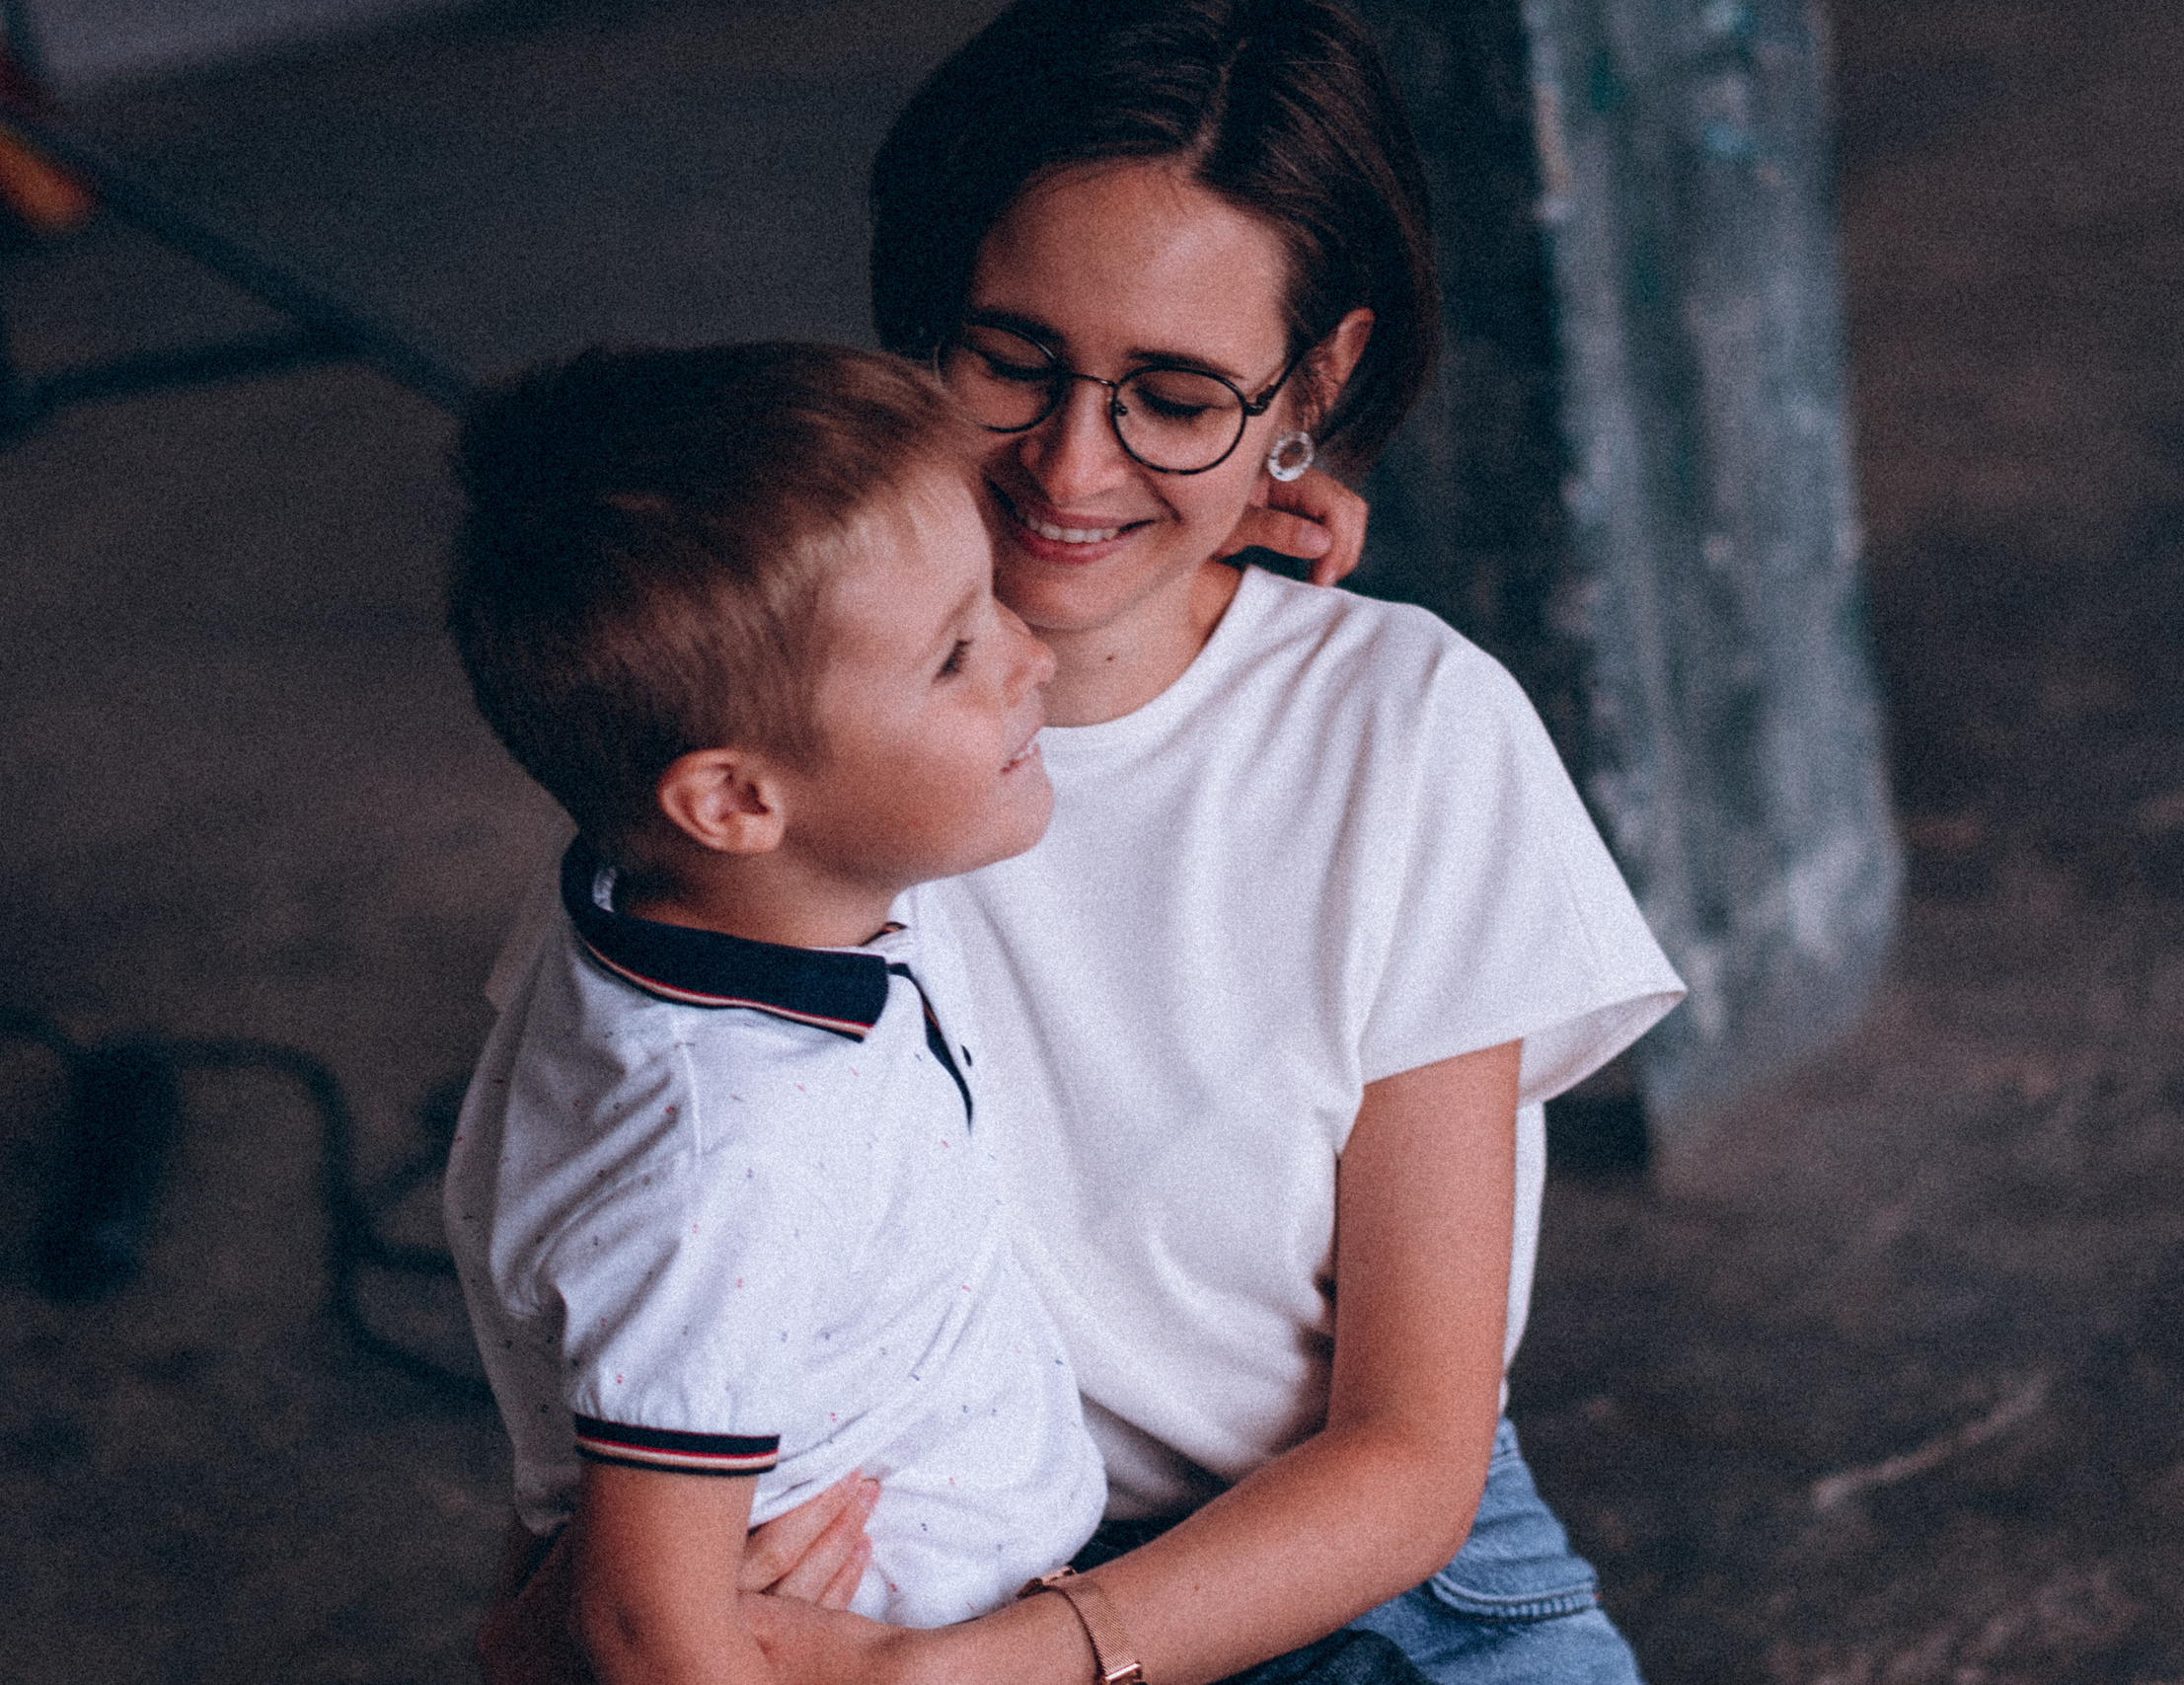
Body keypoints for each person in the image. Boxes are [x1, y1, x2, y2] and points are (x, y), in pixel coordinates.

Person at [483, 3, 1685, 1681]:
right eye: (1010, 362)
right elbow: (638, 1304)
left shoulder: (1406, 730)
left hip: (1320, 1560)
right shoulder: (775, 747)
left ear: (1312, 388)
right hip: (899, 1559)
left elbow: (1410, 1457)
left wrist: (985, 1673)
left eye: (1175, 395)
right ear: (921, 324)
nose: (1068, 463)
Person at [441, 342, 1108, 1680]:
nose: (1033, 654)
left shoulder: (669, 887)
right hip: (880, 1641)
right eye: (956, 656)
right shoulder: (733, 1159)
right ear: (738, 802)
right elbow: (648, 1624)